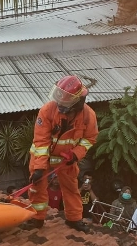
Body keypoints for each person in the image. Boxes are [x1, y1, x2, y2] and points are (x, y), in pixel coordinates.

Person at [24, 75, 98, 233]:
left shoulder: (88, 115)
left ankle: (74, 219)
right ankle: (37, 219)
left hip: (67, 160)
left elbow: (90, 138)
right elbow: (41, 141)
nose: (60, 105)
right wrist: (39, 168)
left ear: (78, 101)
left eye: (65, 102)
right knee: (37, 187)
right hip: (42, 157)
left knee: (71, 188)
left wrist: (76, 155)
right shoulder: (47, 111)